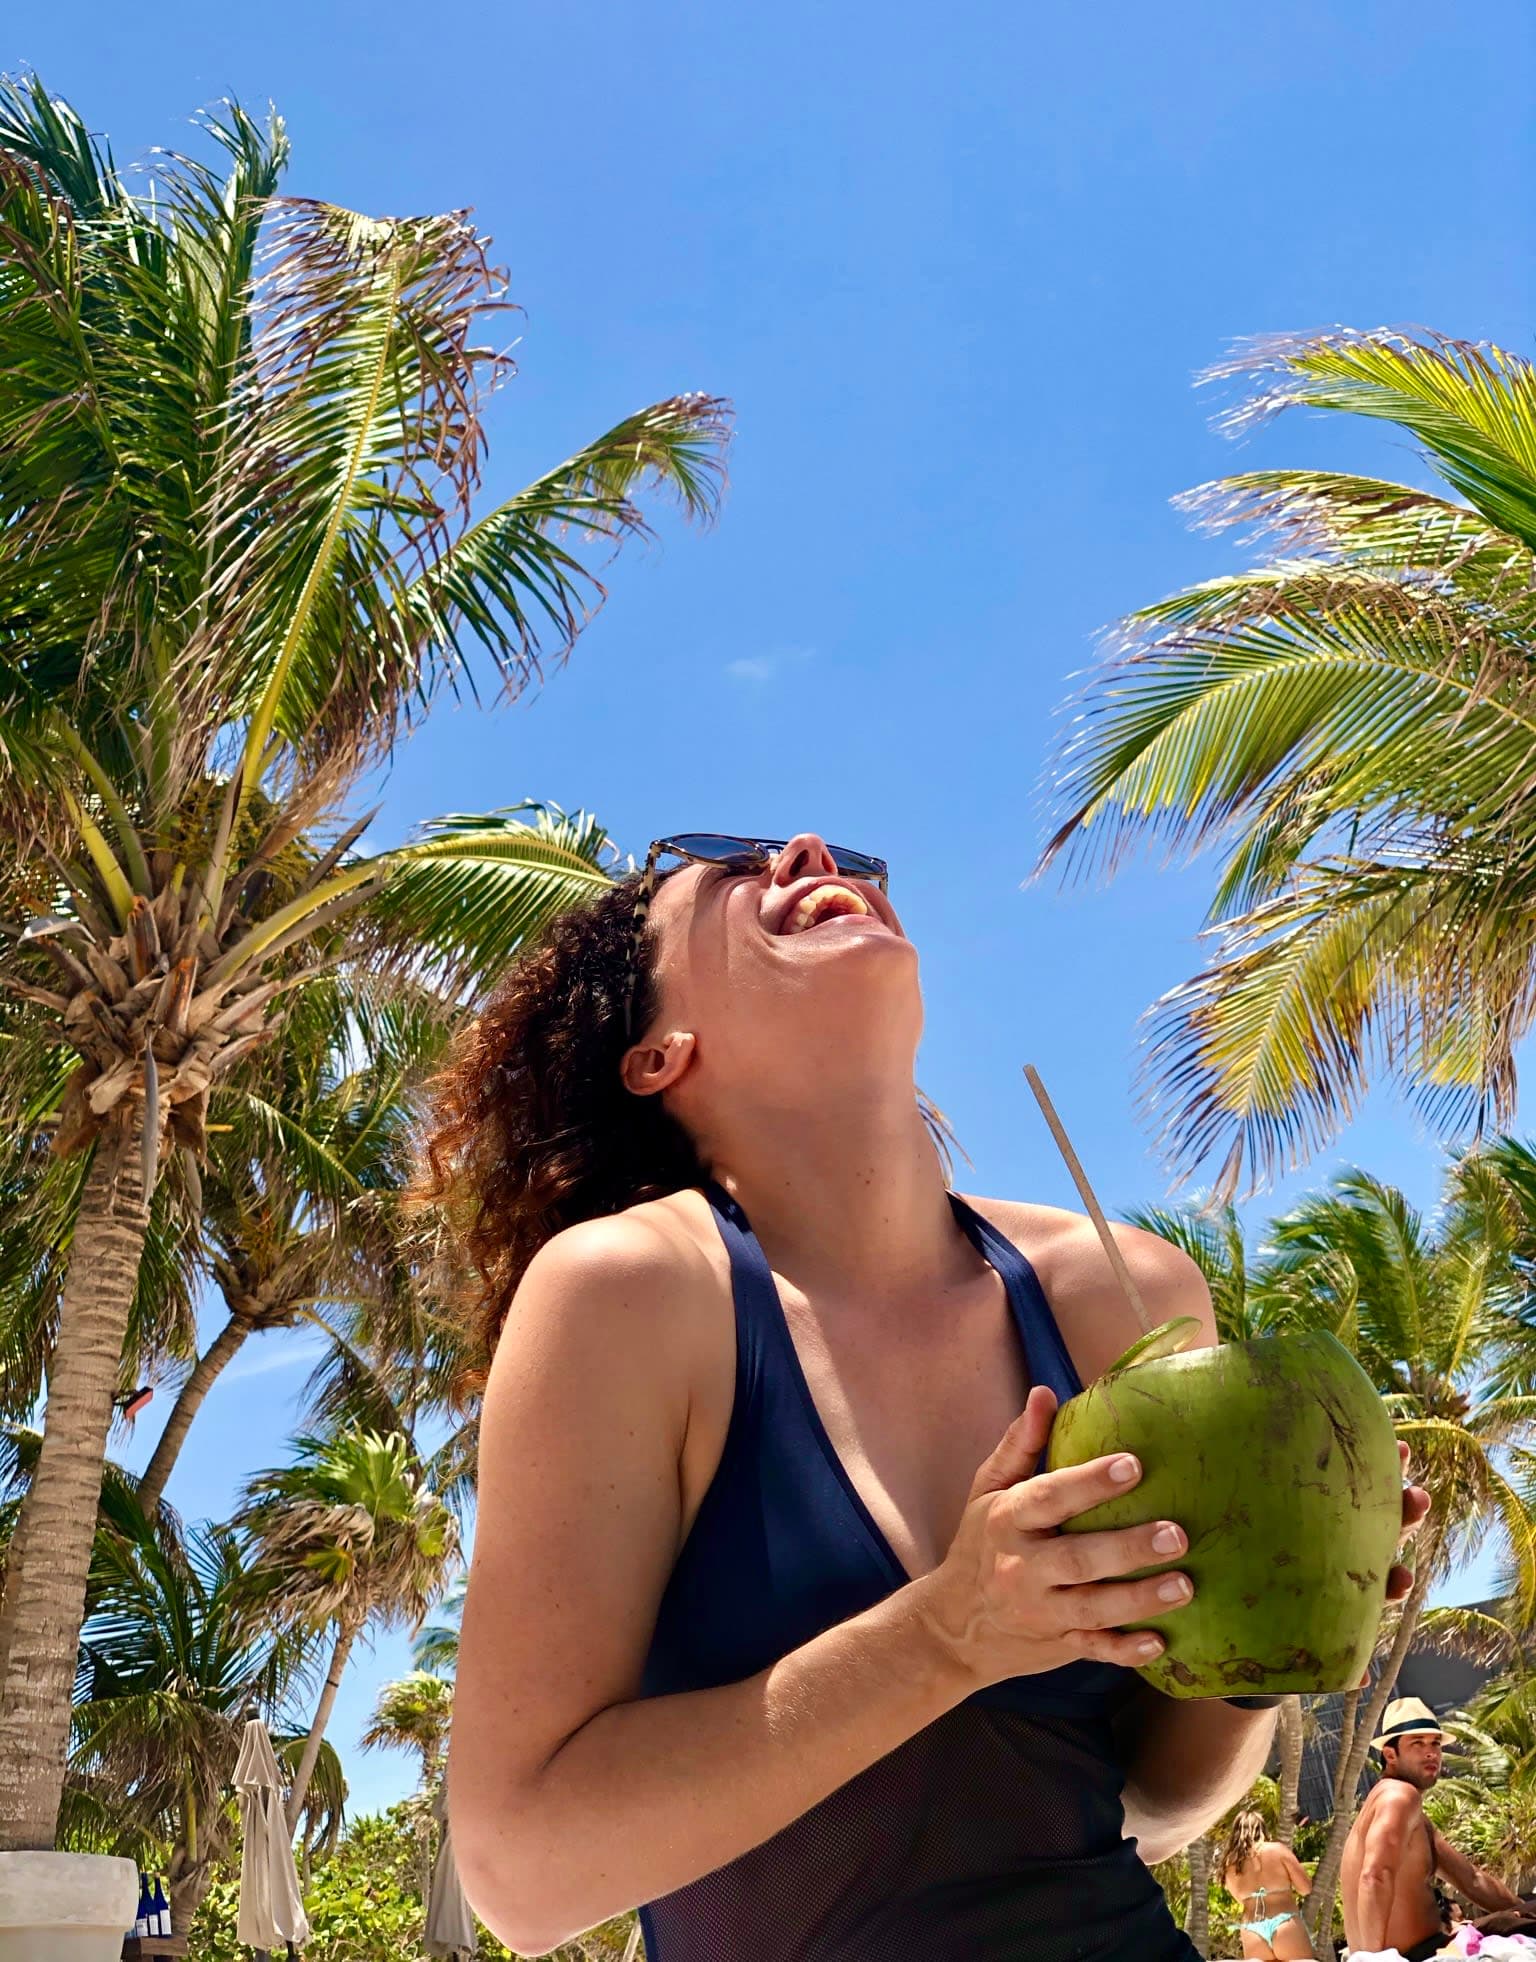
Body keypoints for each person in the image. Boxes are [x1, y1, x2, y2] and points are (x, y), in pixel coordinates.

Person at [431, 831, 1429, 1961]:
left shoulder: (1118, 1287)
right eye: (725, 866)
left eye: (833, 851)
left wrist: (1278, 1636)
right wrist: (951, 1635)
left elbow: (1150, 1808)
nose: (804, 849)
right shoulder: (626, 1297)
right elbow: (522, 1874)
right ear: (659, 1050)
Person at [1342, 1698, 1521, 1961]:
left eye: (1435, 1744)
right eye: (1417, 1744)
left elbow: (1472, 1879)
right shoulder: (1399, 1797)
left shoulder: (1403, 1811)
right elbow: (1375, 1876)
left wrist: (1524, 1909)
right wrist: (1374, 1960)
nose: (1430, 1753)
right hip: (1414, 1955)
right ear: (1390, 1755)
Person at [1219, 1808, 1313, 1959]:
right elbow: (1306, 1888)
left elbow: (1240, 1899)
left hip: (1252, 1930)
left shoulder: (1230, 1864)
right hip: (1284, 1922)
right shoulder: (1277, 1850)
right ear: (1262, 1828)